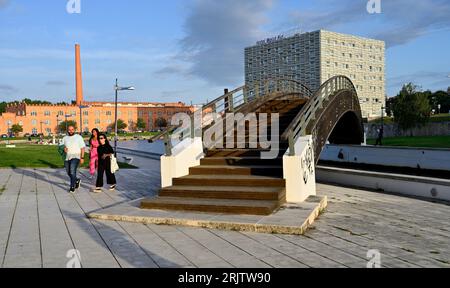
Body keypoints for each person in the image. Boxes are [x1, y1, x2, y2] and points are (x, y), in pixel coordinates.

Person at [62, 126, 86, 193]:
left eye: (72, 129)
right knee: (69, 172)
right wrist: (64, 148)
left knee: (72, 171)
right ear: (67, 130)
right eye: (69, 130)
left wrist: (82, 157)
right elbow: (61, 146)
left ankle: (72, 187)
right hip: (67, 157)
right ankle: (76, 180)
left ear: (74, 130)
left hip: (76, 156)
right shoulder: (65, 138)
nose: (71, 131)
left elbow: (83, 148)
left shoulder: (78, 137)